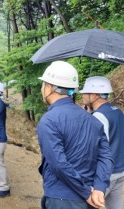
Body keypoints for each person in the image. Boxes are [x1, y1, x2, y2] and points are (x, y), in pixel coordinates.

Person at [37, 61, 113, 209]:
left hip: (61, 198)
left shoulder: (49, 121)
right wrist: (98, 188)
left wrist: (86, 192)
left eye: (43, 84)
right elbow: (106, 157)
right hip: (88, 198)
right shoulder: (93, 120)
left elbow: (59, 164)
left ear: (49, 87)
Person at [80, 76, 124, 209]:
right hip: (120, 171)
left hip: (106, 175)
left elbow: (96, 149)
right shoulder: (117, 111)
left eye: (85, 93)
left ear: (93, 95)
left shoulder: (98, 116)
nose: (82, 96)